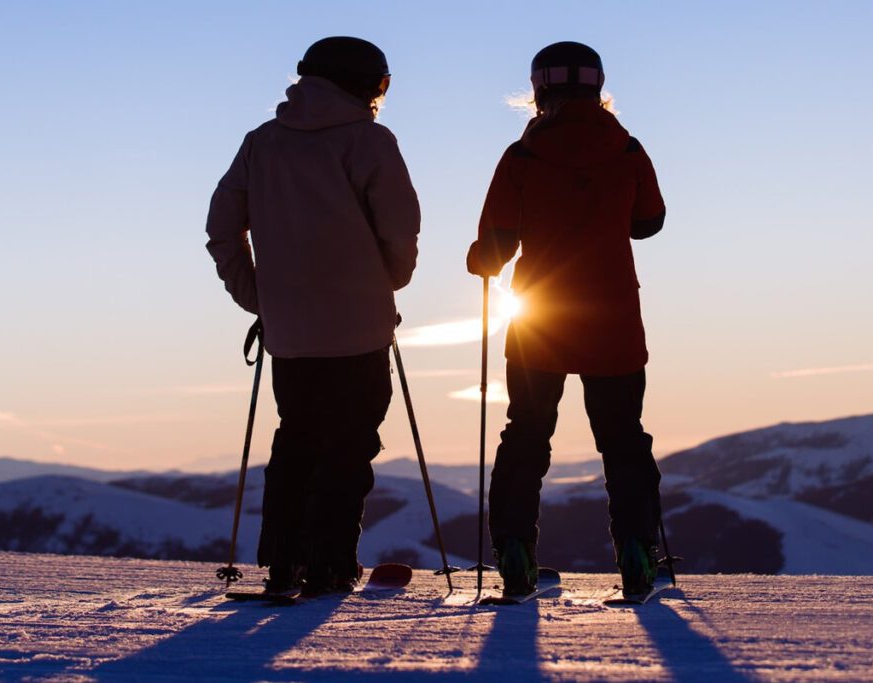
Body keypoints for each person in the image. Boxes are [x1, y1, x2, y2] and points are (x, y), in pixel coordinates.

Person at [205, 37, 420, 596]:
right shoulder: (369, 141)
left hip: (291, 333)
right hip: (361, 326)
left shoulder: (262, 143)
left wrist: (256, 294)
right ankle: (329, 563)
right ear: (368, 84)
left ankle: (283, 560)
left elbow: (223, 228)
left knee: (296, 437)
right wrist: (389, 279)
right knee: (350, 443)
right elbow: (400, 226)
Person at [466, 41, 667, 596]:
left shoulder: (522, 157)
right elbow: (649, 222)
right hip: (613, 317)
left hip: (540, 318)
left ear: (539, 89)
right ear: (598, 87)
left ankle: (514, 549)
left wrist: (479, 259)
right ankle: (636, 549)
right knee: (624, 439)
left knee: (526, 434)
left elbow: (494, 247)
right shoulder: (627, 151)